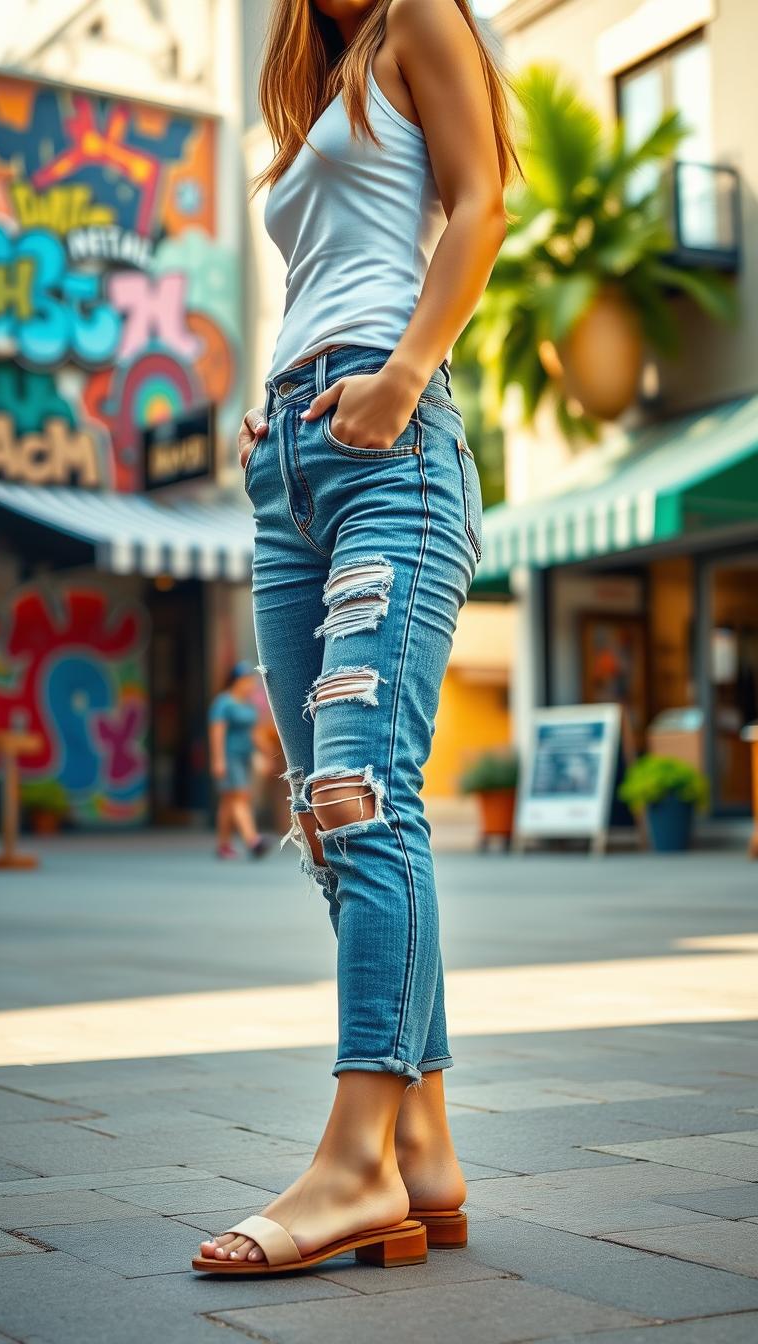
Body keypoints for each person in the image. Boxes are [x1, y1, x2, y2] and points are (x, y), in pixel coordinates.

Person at [194, 0, 517, 1276]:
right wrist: (269, 412)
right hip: (293, 460)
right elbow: (327, 268)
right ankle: (422, 1149)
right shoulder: (325, 85)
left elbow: (481, 204)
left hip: (393, 446)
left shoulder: (419, 20)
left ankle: (355, 1162)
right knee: (328, 814)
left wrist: (400, 376)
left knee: (360, 790)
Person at [208, 661, 268, 858]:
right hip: (229, 756)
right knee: (240, 796)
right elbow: (217, 731)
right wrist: (218, 760)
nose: (250, 685)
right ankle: (253, 840)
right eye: (247, 680)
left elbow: (254, 732)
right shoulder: (224, 703)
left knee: (228, 800)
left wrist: (266, 751)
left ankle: (223, 845)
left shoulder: (248, 704)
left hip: (245, 756)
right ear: (237, 681)